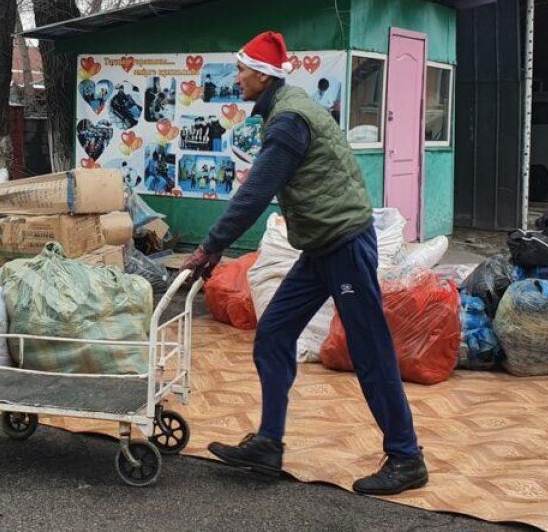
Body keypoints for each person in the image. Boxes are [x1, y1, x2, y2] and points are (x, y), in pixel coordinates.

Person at [182, 30, 427, 496]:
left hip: (344, 244)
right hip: (321, 245)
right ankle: (268, 444)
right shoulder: (287, 107)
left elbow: (254, 194)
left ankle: (406, 456)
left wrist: (209, 247)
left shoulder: (289, 119)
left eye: (241, 69)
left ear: (262, 74)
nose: (236, 78)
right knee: (273, 333)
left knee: (370, 349)